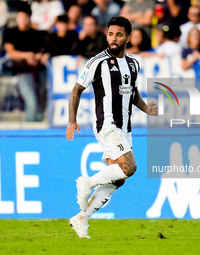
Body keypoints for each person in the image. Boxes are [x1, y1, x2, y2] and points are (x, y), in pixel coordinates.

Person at [65, 16, 158, 239]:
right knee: (130, 167)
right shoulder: (98, 62)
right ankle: (87, 182)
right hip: (107, 125)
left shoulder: (134, 63)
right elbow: (77, 89)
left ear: (128, 37)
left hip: (125, 128)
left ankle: (81, 218)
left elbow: (132, 92)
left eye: (118, 35)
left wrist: (146, 108)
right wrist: (72, 120)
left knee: (119, 179)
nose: (113, 39)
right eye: (110, 34)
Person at [3, 3, 49, 121]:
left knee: (40, 103)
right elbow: (11, 53)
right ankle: (29, 129)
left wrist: (38, 56)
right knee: (31, 101)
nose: (22, 20)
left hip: (38, 73)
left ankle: (38, 129)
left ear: (29, 18)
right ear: (17, 18)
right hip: (22, 73)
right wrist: (27, 55)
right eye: (20, 17)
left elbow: (43, 51)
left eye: (25, 17)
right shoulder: (11, 32)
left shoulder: (37, 34)